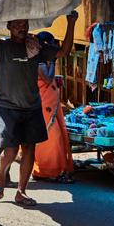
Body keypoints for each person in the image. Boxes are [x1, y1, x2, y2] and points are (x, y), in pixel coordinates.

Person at [0, 10, 78, 206]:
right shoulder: (2, 47)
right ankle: (0, 172)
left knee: (29, 149)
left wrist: (71, 22)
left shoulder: (35, 47)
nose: (22, 27)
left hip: (32, 107)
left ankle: (21, 192)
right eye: (17, 24)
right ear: (8, 27)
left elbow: (63, 52)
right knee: (12, 148)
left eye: (25, 24)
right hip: (8, 107)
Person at [32, 31, 74, 183]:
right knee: (51, 138)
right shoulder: (38, 60)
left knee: (58, 137)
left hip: (51, 104)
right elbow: (48, 78)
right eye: (52, 44)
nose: (55, 47)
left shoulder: (45, 60)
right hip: (43, 106)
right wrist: (54, 62)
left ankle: (56, 170)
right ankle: (46, 171)